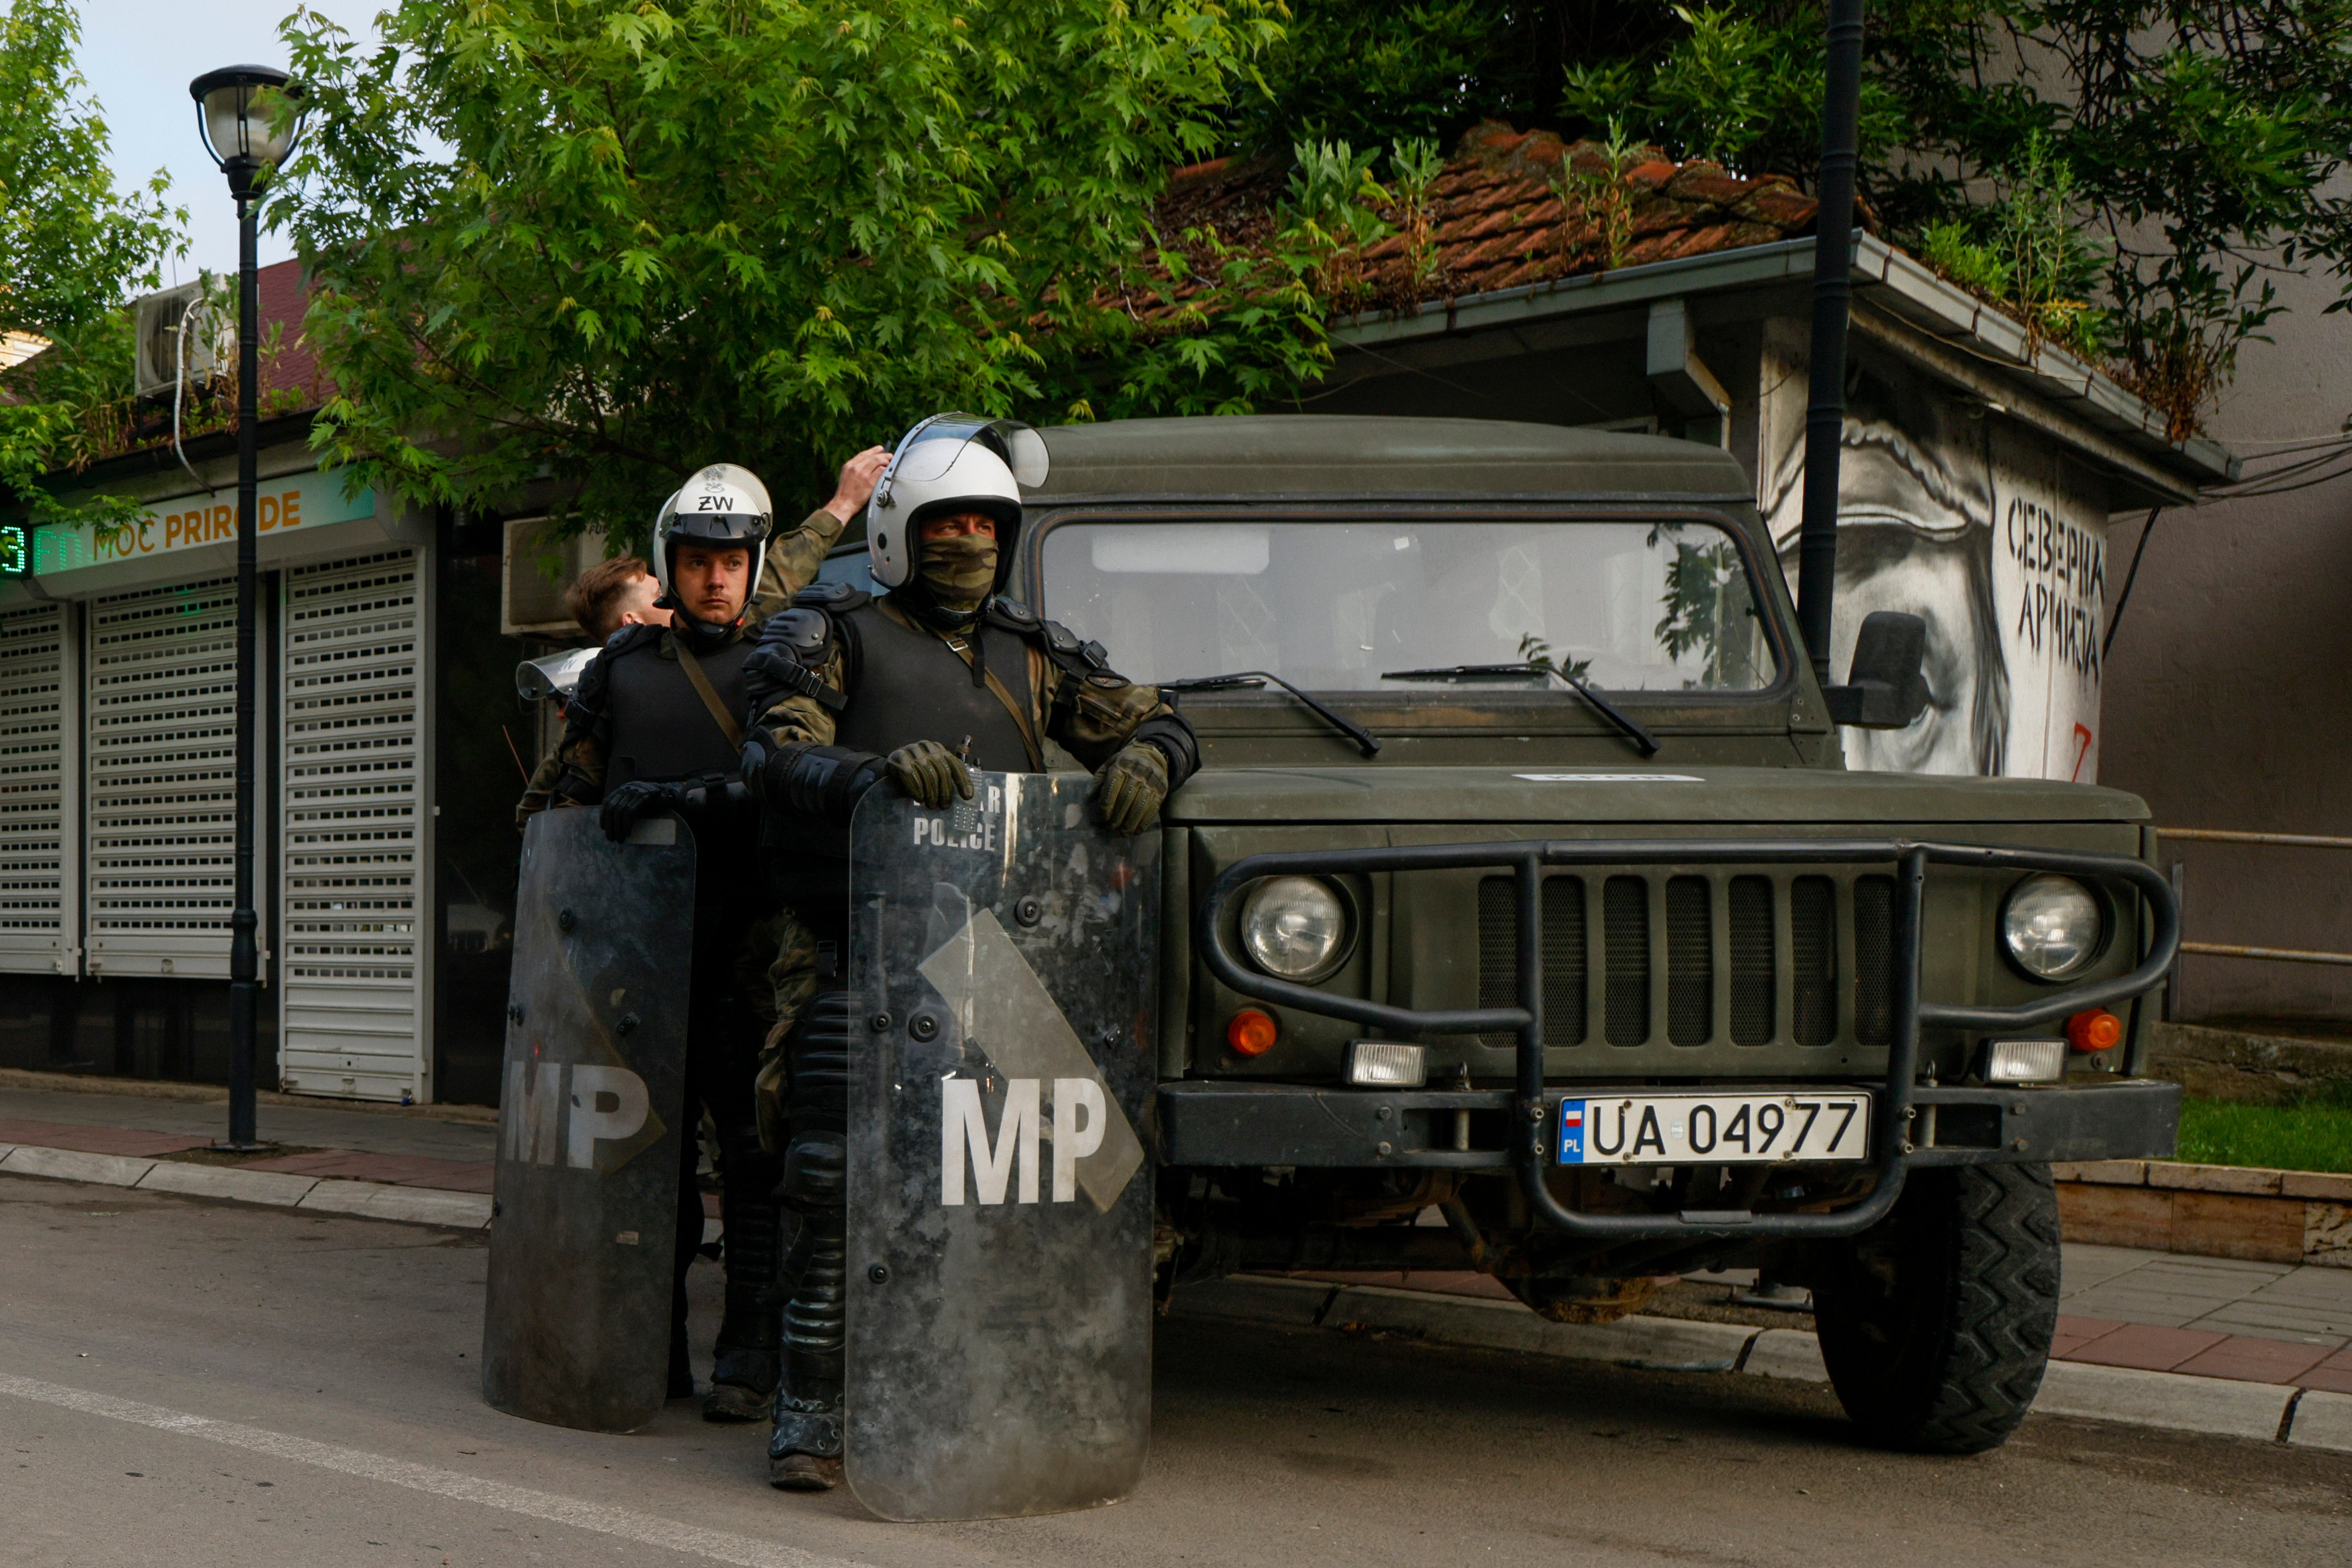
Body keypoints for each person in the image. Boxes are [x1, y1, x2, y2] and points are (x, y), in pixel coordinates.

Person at [737, 416, 1199, 1491]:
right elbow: (777, 742)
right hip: (859, 945)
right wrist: (865, 773)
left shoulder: (1036, 654)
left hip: (1004, 958)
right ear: (901, 529)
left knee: (1082, 1167)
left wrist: (1152, 759)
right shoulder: (830, 629)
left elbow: (1161, 717)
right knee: (830, 1163)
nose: (973, 541)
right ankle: (808, 1405)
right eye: (950, 522)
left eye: (990, 522)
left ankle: (1035, 1373)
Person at [517, 448, 887, 1423]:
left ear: (754, 564)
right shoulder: (622, 671)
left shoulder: (797, 655)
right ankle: (646, 1344)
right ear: (668, 561)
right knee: (651, 1162)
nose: (715, 576)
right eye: (695, 559)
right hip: (644, 953)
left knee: (764, 1162)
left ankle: (751, 1353)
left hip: (763, 951)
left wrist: (848, 504)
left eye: (732, 560)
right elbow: (558, 802)